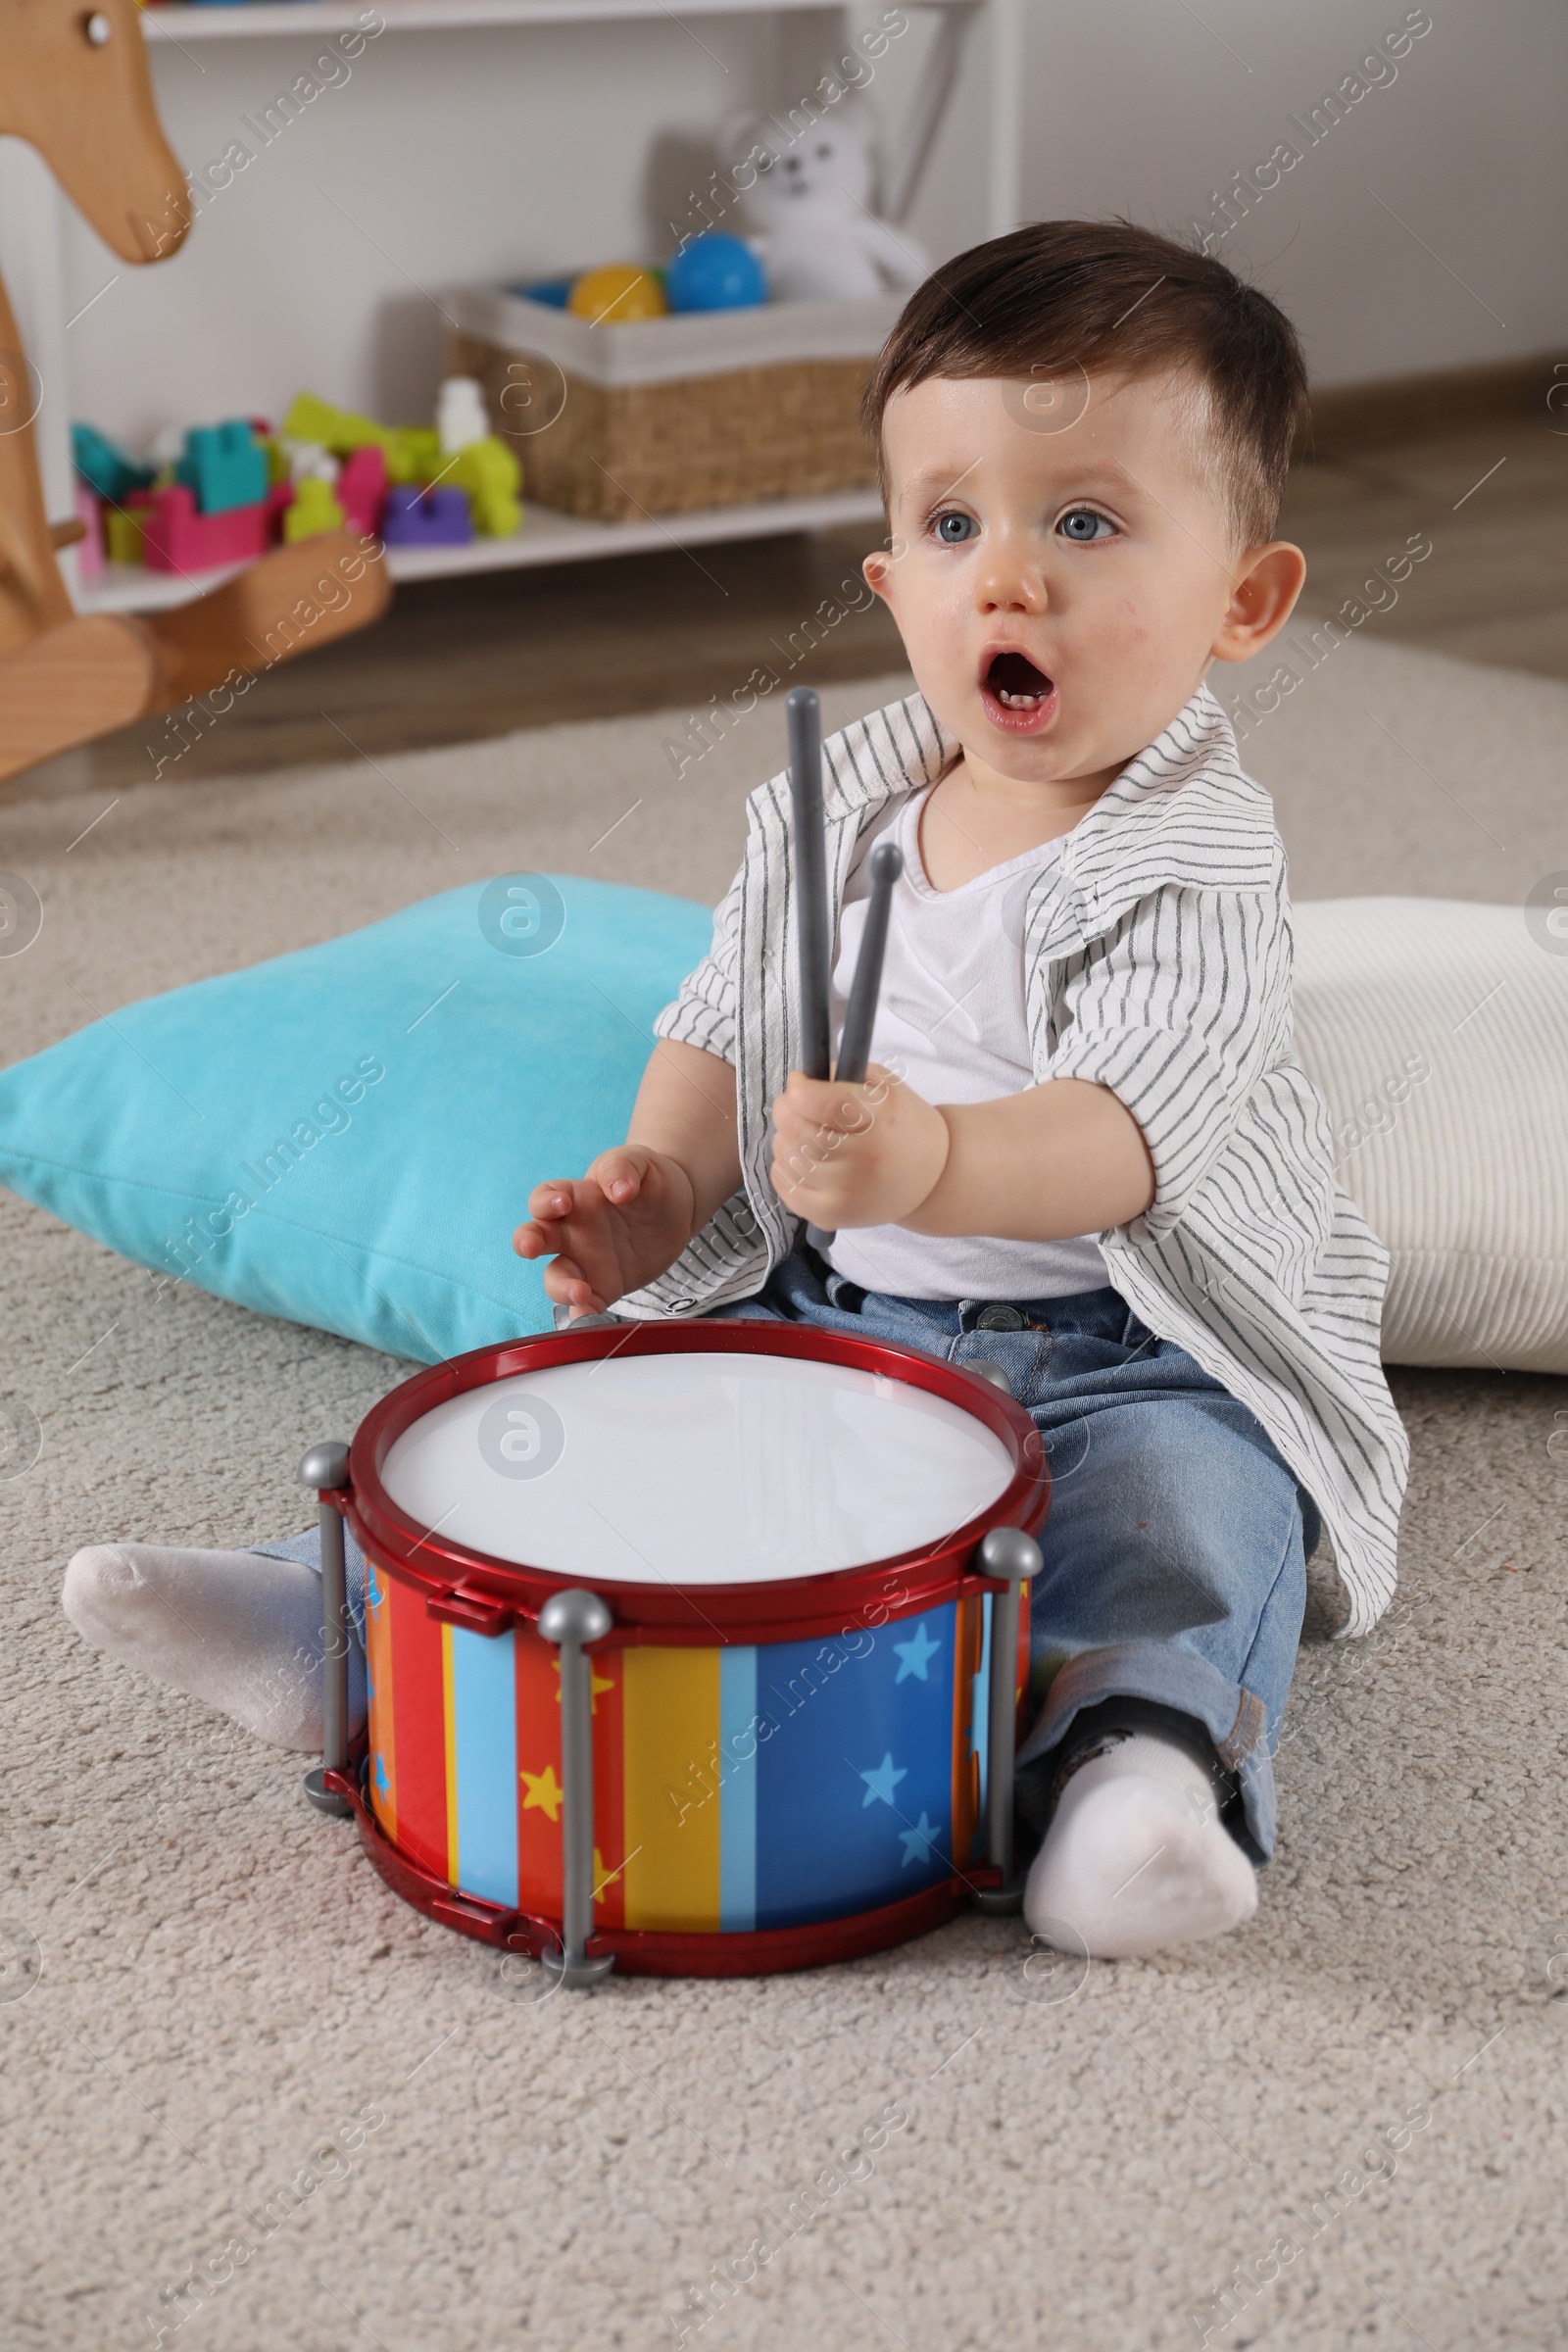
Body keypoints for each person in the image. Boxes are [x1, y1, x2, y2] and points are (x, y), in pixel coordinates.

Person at [64, 220, 1408, 1959]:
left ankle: (1131, 1783)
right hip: (835, 1309)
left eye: (1084, 521)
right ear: (889, 584)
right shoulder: (837, 804)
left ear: (1246, 598)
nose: (1007, 577)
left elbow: (1128, 1138)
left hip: (1131, 1347)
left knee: (1183, 1527)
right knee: (593, 1408)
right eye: (951, 523)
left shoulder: (1202, 857)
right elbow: (724, 1012)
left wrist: (931, 1159)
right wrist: (667, 1180)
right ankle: (361, 1640)